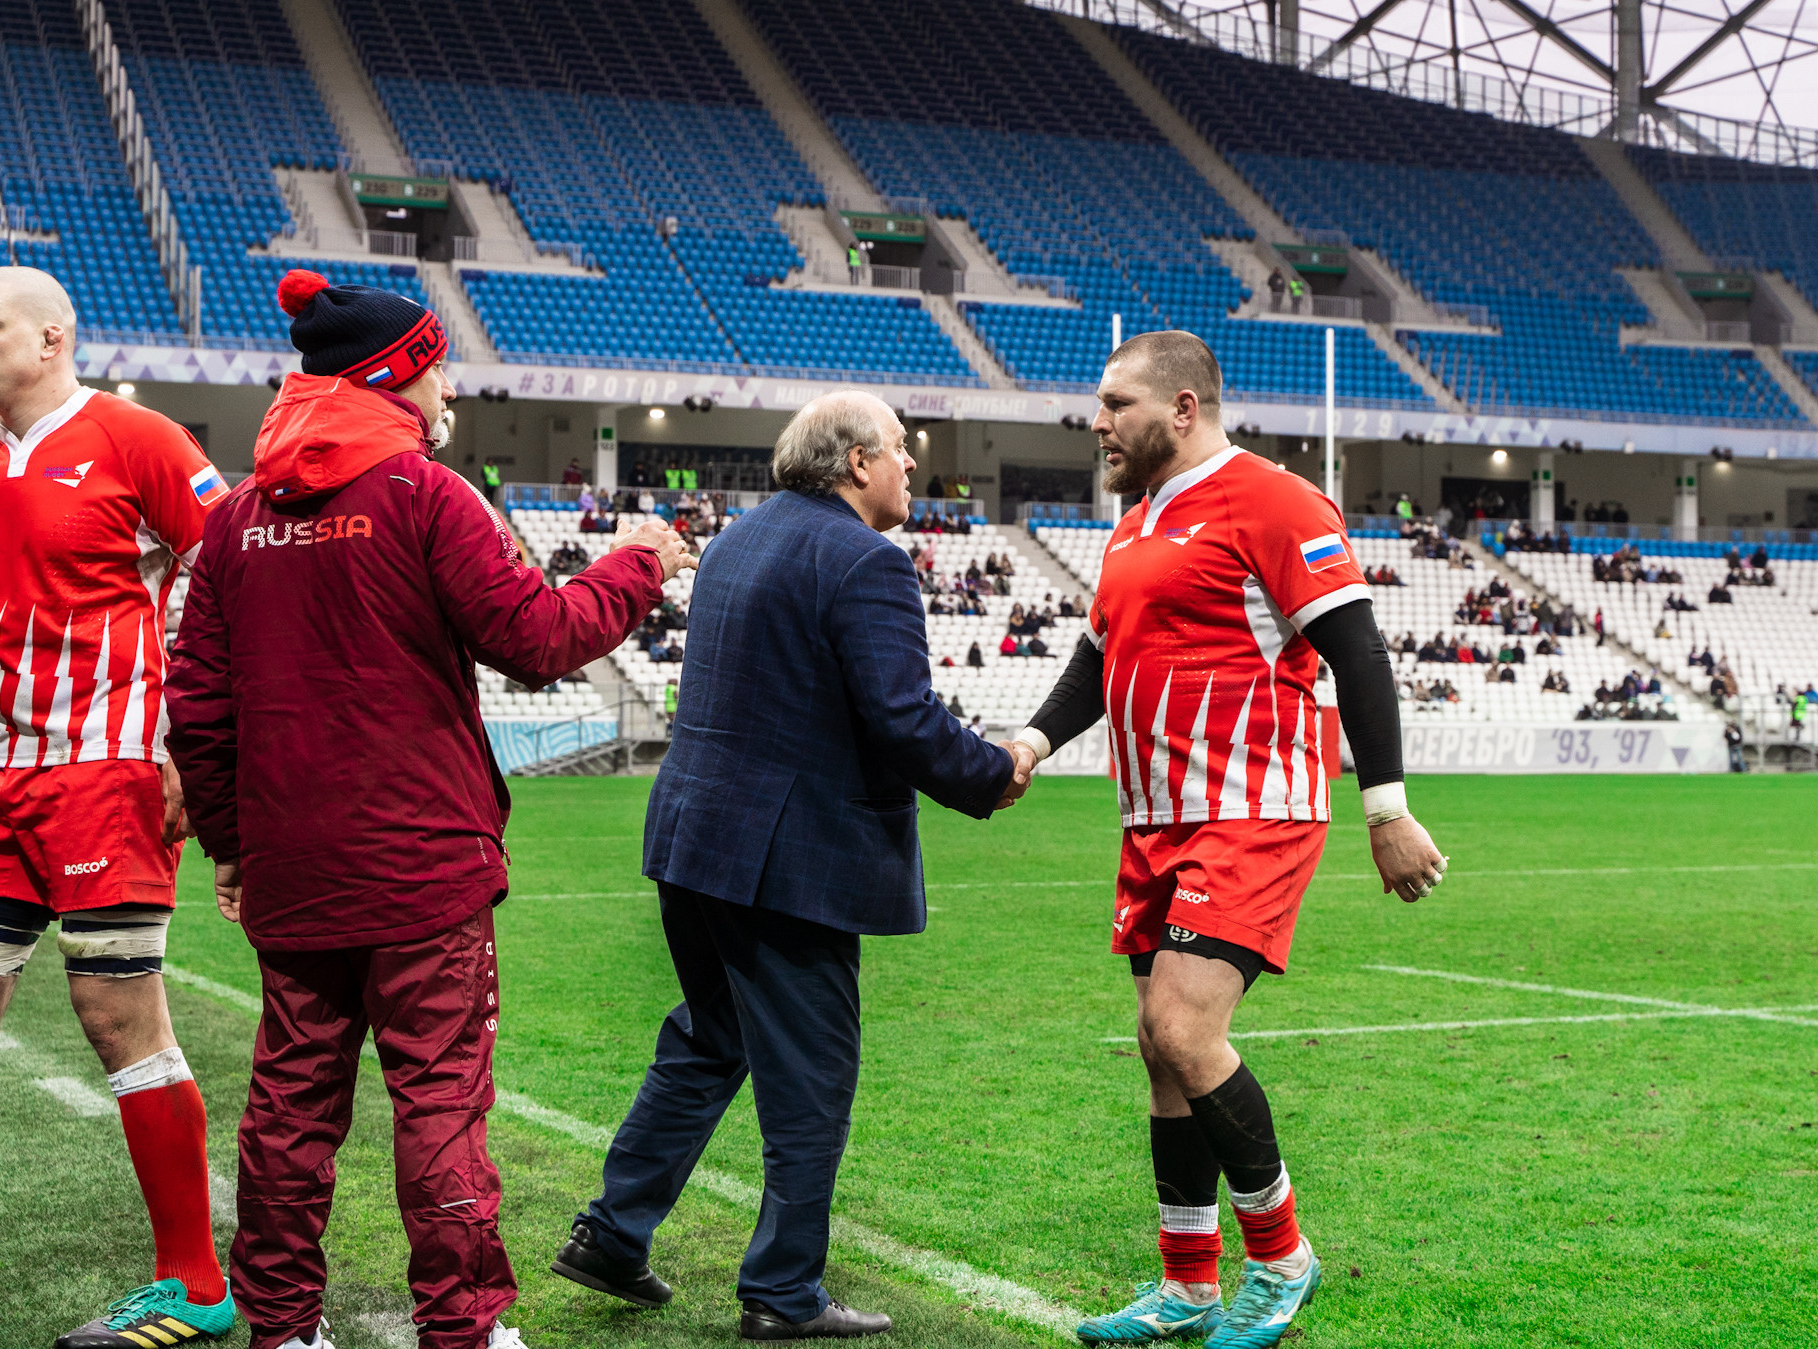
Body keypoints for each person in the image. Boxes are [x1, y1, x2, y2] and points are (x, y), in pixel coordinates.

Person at [164, 269, 696, 1349]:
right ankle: (458, 1327)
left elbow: (199, 709)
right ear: (400, 373)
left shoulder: (235, 525)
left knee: (288, 1108)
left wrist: (229, 845)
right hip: (423, 869)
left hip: (295, 867)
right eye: (437, 362)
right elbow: (538, 640)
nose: (447, 384)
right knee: (440, 1101)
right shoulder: (423, 495)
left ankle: (283, 1327)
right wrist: (637, 566)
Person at [557, 391, 1029, 1341]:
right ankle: (782, 1290)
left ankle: (613, 1234)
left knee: (708, 1038)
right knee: (810, 1077)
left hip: (693, 838)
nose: (911, 469)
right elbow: (901, 720)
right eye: (900, 451)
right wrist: (994, 770)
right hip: (787, 859)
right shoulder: (866, 560)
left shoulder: (739, 538)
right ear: (855, 462)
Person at [1003, 333, 1443, 1349]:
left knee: (1186, 1031)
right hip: (1151, 819)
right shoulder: (1131, 522)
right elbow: (1095, 658)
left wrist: (1386, 810)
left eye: (1115, 402)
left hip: (1251, 808)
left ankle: (1281, 1261)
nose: (1097, 420)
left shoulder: (1274, 502)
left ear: (1183, 407)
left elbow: (1357, 653)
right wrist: (1029, 741)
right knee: (1161, 1052)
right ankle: (1186, 1285)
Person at [0, 266, 235, 1348]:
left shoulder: (141, 440)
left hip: (107, 772)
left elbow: (230, 580)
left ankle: (196, 1286)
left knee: (117, 1016)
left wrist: (190, 741)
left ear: (51, 338)